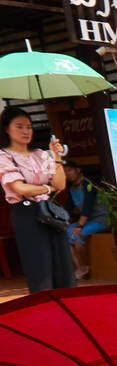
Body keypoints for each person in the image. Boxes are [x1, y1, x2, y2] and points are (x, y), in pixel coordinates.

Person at [0, 109, 73, 293]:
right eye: (19, 126)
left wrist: (56, 157)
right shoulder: (4, 156)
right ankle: (45, 315)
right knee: (40, 269)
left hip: (50, 213)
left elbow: (61, 184)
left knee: (63, 266)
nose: (26, 131)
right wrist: (48, 189)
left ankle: (68, 310)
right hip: (26, 215)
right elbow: (20, 188)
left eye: (29, 127)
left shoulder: (40, 154)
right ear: (6, 129)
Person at [56, 161, 110, 281]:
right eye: (64, 172)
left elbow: (88, 207)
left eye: (69, 170)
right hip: (87, 221)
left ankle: (84, 268)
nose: (67, 174)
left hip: (101, 219)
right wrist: (61, 221)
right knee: (64, 235)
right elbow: (68, 207)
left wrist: (79, 226)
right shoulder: (71, 188)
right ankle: (80, 267)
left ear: (78, 170)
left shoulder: (87, 183)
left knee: (76, 234)